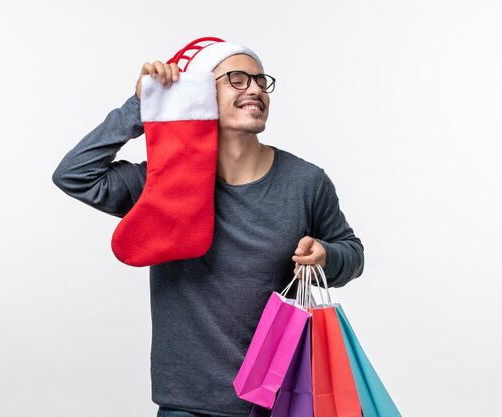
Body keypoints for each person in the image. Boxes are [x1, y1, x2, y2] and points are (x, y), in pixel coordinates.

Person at [52, 39, 364, 417]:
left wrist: (326, 256)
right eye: (236, 78)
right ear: (199, 93)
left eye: (259, 80)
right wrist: (141, 105)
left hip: (281, 398)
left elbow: (352, 252)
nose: (253, 89)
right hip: (188, 404)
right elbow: (75, 175)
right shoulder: (162, 181)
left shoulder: (305, 182)